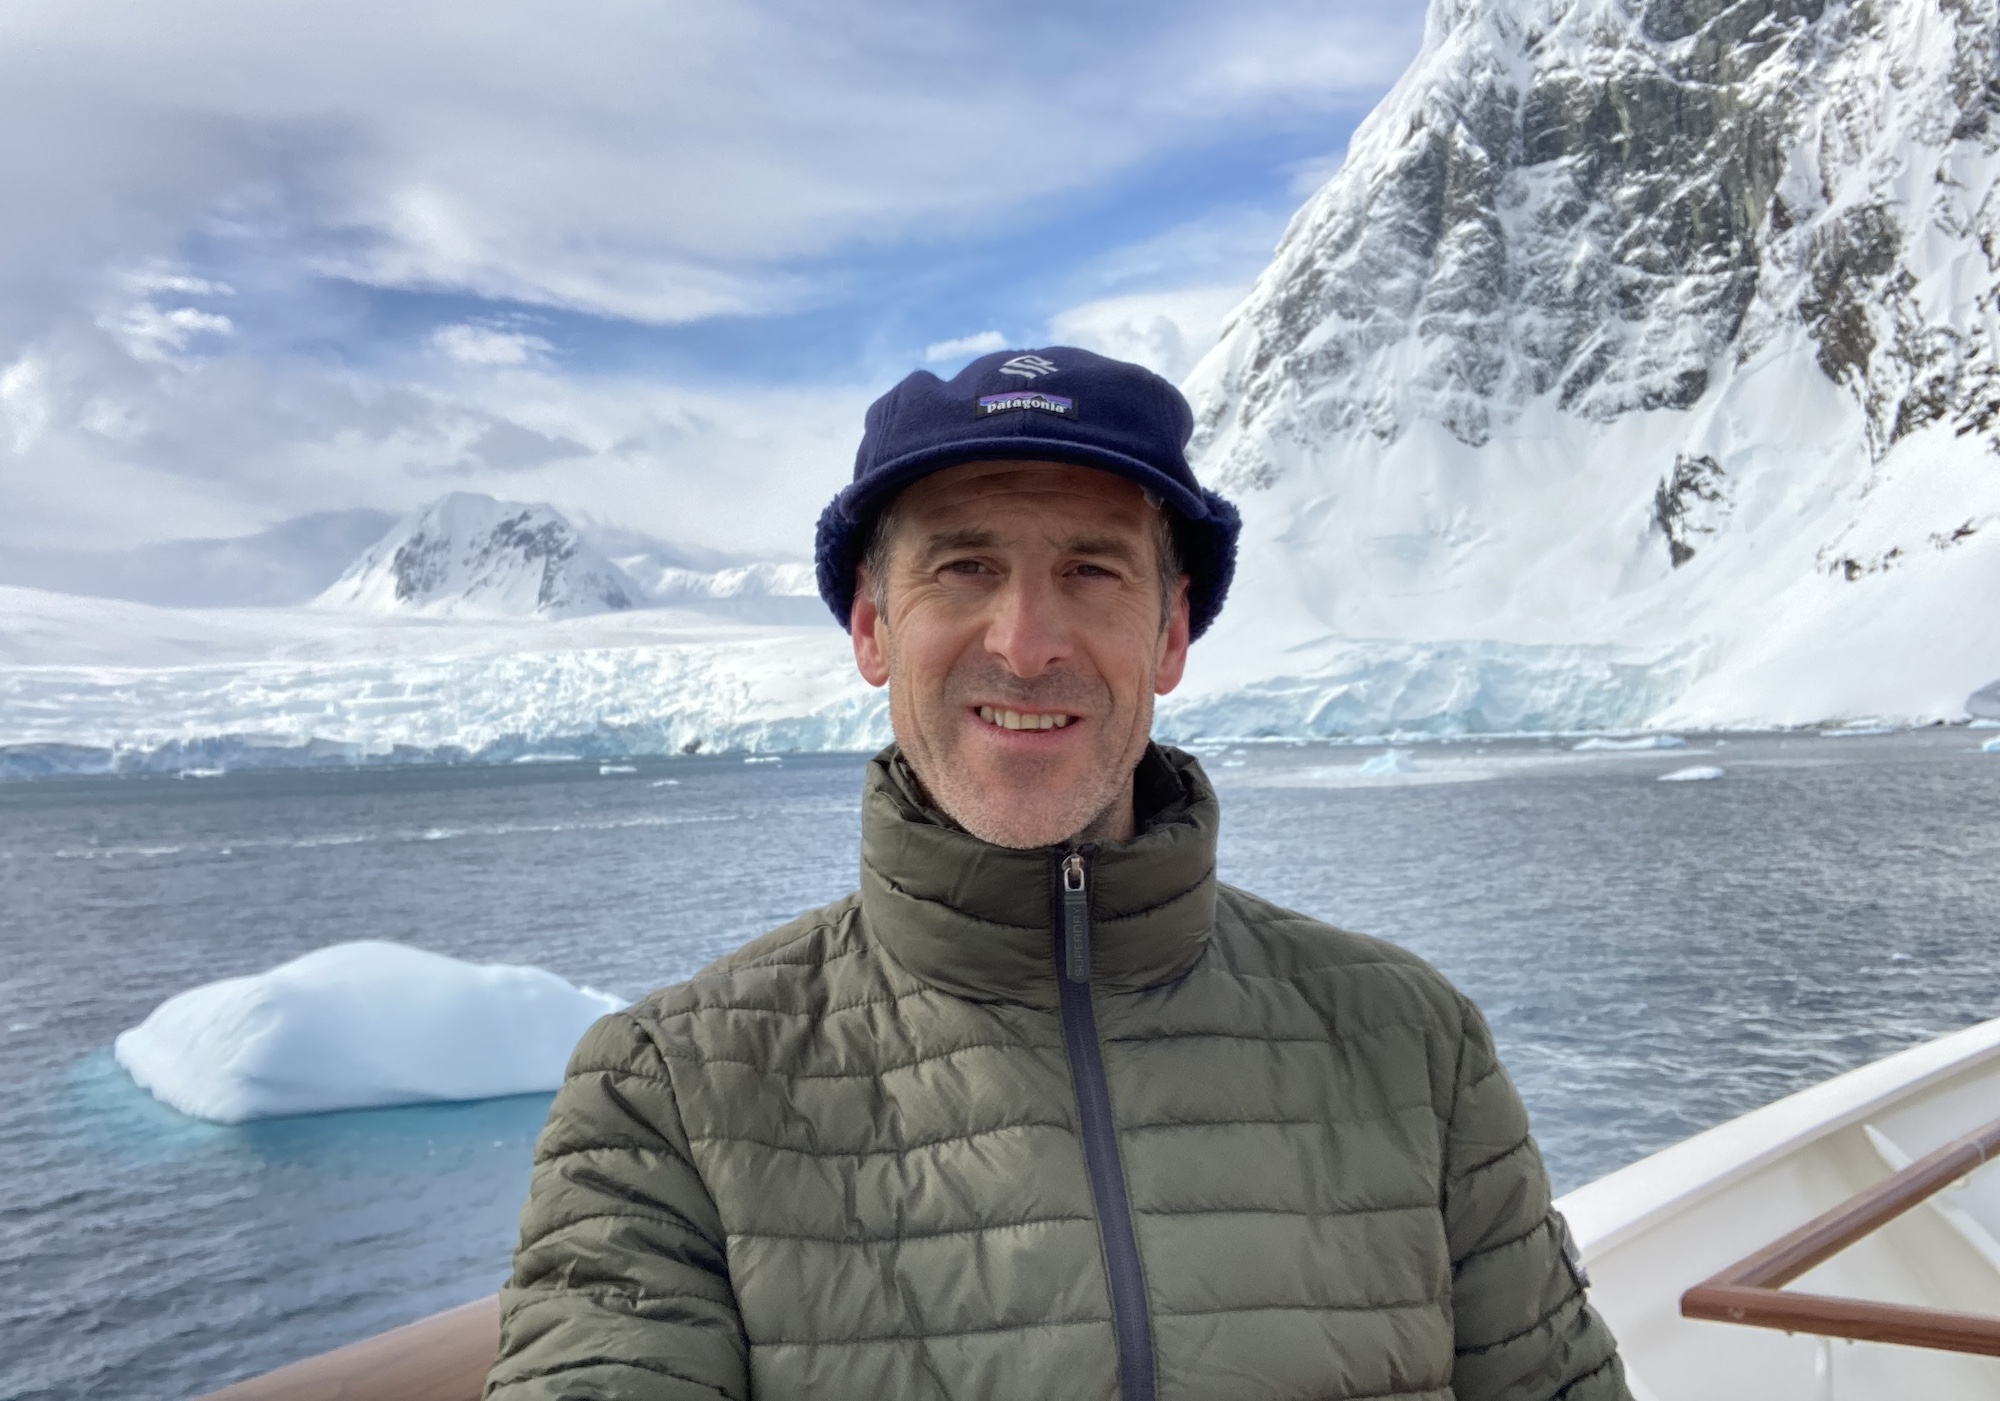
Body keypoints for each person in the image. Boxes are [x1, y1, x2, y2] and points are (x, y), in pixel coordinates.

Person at [486, 347, 1630, 1400]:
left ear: (1171, 635)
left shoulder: (1412, 1048)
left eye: (1091, 570)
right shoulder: (666, 1099)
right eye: (964, 566)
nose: (1026, 641)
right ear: (872, 627)